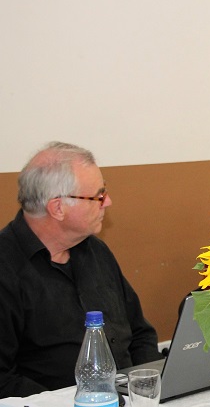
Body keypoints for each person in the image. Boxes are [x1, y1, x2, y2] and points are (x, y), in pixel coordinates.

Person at [0, 142, 162, 398]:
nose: (108, 202)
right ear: (58, 208)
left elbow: (140, 333)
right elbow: (2, 379)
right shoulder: (6, 268)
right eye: (98, 196)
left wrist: (148, 386)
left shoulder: (96, 251)